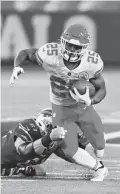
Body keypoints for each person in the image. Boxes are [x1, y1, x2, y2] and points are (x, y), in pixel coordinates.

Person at [10, 24, 108, 181]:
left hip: (82, 106)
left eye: (76, 46)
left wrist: (90, 100)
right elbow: (26, 53)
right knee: (69, 150)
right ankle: (99, 169)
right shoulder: (50, 54)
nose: (71, 49)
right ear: (63, 42)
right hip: (60, 107)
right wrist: (17, 66)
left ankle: (98, 140)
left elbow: (102, 89)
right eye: (69, 44)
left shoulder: (91, 62)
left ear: (84, 48)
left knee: (100, 148)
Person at [1, 108, 67, 176]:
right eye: (54, 127)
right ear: (45, 123)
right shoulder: (29, 126)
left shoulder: (55, 141)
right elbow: (24, 151)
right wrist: (48, 138)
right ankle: (13, 170)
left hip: (14, 162)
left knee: (40, 171)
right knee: (35, 170)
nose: (57, 130)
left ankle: (15, 169)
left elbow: (70, 155)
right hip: (3, 160)